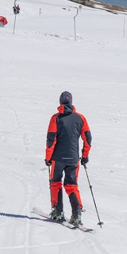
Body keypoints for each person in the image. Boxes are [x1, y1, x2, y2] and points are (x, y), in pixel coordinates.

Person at [45, 91, 92, 226]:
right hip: (73, 159)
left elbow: (51, 140)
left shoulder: (55, 118)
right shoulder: (80, 118)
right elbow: (87, 139)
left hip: (57, 159)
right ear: (71, 102)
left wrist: (48, 158)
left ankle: (57, 212)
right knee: (72, 185)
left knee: (55, 183)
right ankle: (76, 215)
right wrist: (84, 156)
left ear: (60, 102)